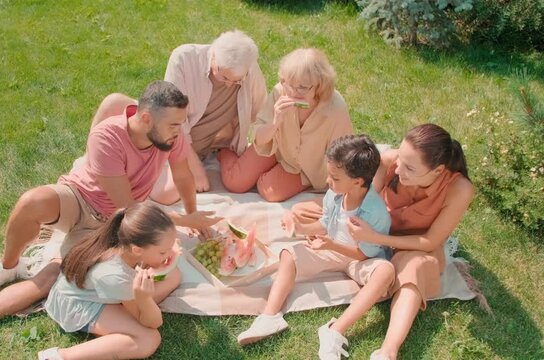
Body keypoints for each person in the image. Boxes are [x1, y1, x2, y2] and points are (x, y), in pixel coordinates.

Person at [0, 81, 221, 360]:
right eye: (175, 125)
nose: (180, 132)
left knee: (56, 276)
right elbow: (125, 204)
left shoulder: (168, 135)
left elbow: (181, 173)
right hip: (86, 200)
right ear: (146, 119)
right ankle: (7, 266)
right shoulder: (107, 137)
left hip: (116, 222)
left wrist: (191, 213)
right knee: (33, 204)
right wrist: (177, 220)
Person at [293, 124, 475, 360]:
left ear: (438, 170)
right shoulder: (389, 161)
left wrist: (374, 238)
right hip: (374, 225)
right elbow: (365, 199)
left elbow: (430, 241)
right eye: (400, 158)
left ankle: (387, 351)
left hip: (412, 244)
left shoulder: (459, 189)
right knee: (300, 211)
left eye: (409, 168)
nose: (399, 169)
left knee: (413, 270)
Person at [237, 135, 395, 360]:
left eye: (335, 177)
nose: (328, 181)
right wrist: (299, 228)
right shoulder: (334, 194)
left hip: (361, 259)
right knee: (288, 253)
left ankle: (335, 330)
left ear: (358, 181)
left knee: (386, 272)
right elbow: (324, 225)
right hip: (332, 249)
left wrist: (331, 245)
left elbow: (362, 254)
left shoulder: (376, 213)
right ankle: (270, 316)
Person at [38, 203, 180, 360]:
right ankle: (60, 356)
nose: (169, 254)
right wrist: (145, 299)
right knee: (148, 339)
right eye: (162, 252)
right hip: (76, 305)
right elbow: (153, 323)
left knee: (174, 275)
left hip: (87, 290)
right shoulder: (116, 276)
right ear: (137, 249)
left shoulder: (122, 244)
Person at [148, 29, 267, 203]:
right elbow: (172, 122)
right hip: (171, 142)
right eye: (224, 76)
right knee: (167, 194)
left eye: (236, 81)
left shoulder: (249, 70)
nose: (229, 85)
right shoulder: (183, 59)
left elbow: (261, 113)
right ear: (213, 56)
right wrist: (195, 167)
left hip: (209, 148)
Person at [218, 48, 352, 202]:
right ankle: (225, 152)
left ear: (319, 85)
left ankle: (264, 174)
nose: (293, 93)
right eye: (289, 84)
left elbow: (343, 152)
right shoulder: (280, 91)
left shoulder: (335, 108)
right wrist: (275, 123)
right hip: (274, 147)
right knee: (234, 182)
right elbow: (259, 137)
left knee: (268, 190)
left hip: (305, 168)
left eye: (302, 87)